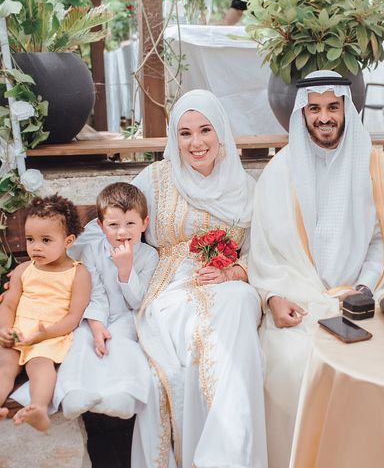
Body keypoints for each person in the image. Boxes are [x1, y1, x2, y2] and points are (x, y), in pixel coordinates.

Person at [73, 90, 267, 467]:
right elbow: (110, 225)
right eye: (185, 133)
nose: (196, 143)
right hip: (169, 290)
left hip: (227, 285)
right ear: (174, 139)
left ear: (221, 132)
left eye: (205, 130)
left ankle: (225, 452)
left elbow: (266, 251)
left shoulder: (247, 189)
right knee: (220, 318)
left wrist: (234, 271)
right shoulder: (157, 178)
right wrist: (53, 263)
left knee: (239, 304)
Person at [249, 70, 384, 467]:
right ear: (302, 113)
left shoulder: (375, 166)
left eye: (332, 107)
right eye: (315, 108)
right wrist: (272, 298)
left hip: (361, 301)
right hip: (297, 304)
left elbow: (381, 244)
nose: (324, 117)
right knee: (292, 363)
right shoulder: (279, 171)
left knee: (377, 368)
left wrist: (363, 287)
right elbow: (263, 253)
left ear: (346, 109)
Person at [53, 183, 158, 420]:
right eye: (113, 225)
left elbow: (137, 302)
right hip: (94, 314)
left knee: (122, 342)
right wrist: (97, 324)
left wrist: (126, 270)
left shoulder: (149, 256)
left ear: (144, 222)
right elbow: (94, 291)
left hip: (127, 315)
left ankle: (123, 393)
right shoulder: (91, 250)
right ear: (101, 226)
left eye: (130, 223)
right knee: (80, 341)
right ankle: (72, 391)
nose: (122, 232)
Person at [0, 195, 90, 431]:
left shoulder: (78, 274)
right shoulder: (23, 270)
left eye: (46, 240)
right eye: (30, 239)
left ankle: (38, 408)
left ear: (68, 241)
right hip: (19, 331)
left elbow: (73, 316)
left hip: (49, 334)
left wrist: (45, 334)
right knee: (4, 365)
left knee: (40, 365)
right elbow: (8, 304)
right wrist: (4, 329)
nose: (35, 246)